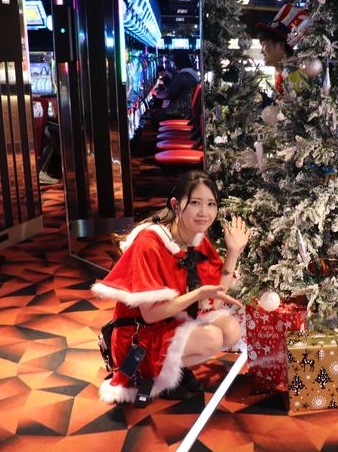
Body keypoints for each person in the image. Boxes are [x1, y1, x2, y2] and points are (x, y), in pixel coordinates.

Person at [92, 170, 250, 405]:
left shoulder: (195, 238)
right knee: (213, 337)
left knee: (230, 329)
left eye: (211, 204)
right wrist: (196, 294)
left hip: (172, 323)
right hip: (140, 335)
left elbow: (215, 300)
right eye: (195, 203)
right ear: (176, 205)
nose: (204, 212)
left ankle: (175, 370)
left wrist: (233, 252)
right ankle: (154, 375)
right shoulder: (149, 242)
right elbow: (150, 314)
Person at [256, 3, 309, 98]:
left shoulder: (295, 79)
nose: (261, 51)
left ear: (281, 45)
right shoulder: (284, 76)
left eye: (264, 45)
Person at [149, 52, 199, 118]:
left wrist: (155, 93)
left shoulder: (183, 76)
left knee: (154, 117)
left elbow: (169, 94)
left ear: (179, 62)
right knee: (158, 111)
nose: (174, 66)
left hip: (180, 111)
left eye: (175, 63)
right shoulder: (192, 74)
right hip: (186, 110)